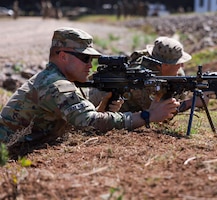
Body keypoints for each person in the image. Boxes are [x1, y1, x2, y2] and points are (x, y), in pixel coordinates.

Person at [0, 27, 179, 145]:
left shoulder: (57, 78)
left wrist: (104, 107)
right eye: (85, 58)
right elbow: (89, 123)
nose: (90, 65)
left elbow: (80, 121)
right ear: (63, 56)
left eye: (92, 59)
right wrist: (148, 116)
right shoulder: (57, 84)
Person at [120, 36, 210, 113]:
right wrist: (190, 103)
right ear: (165, 65)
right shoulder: (141, 77)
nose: (182, 65)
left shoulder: (176, 73)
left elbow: (179, 97)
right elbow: (156, 113)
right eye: (177, 62)